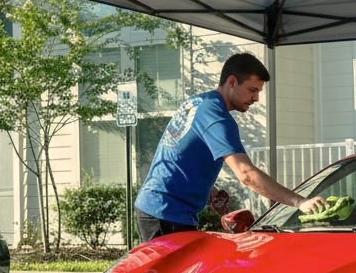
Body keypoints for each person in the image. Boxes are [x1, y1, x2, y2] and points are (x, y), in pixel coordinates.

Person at [134, 52, 326, 242]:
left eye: (258, 91)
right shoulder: (216, 116)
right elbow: (246, 174)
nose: (256, 98)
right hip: (166, 213)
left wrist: (210, 191)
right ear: (232, 82)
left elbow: (180, 154)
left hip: (159, 209)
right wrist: (300, 202)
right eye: (252, 90)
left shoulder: (198, 103)